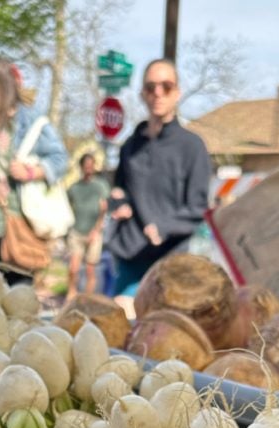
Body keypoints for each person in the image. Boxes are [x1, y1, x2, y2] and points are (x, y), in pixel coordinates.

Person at [107, 58, 211, 313]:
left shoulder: (192, 146)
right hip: (130, 257)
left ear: (177, 92)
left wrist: (164, 227)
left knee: (163, 335)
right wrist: (119, 204)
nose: (158, 93)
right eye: (151, 87)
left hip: (170, 262)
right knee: (119, 325)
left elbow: (198, 208)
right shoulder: (130, 146)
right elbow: (118, 189)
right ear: (142, 93)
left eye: (166, 86)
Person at [0, 55, 68, 281]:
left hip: (13, 231)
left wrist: (31, 172)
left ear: (2, 81)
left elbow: (60, 159)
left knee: (17, 305)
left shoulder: (28, 120)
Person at [65, 152, 109, 302]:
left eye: (91, 166)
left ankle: (86, 300)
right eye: (86, 166)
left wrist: (96, 231)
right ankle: (71, 296)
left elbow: (103, 210)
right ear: (81, 167)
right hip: (76, 231)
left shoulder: (101, 186)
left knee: (90, 270)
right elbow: (67, 206)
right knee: (73, 268)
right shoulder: (74, 188)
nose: (89, 169)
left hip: (94, 233)